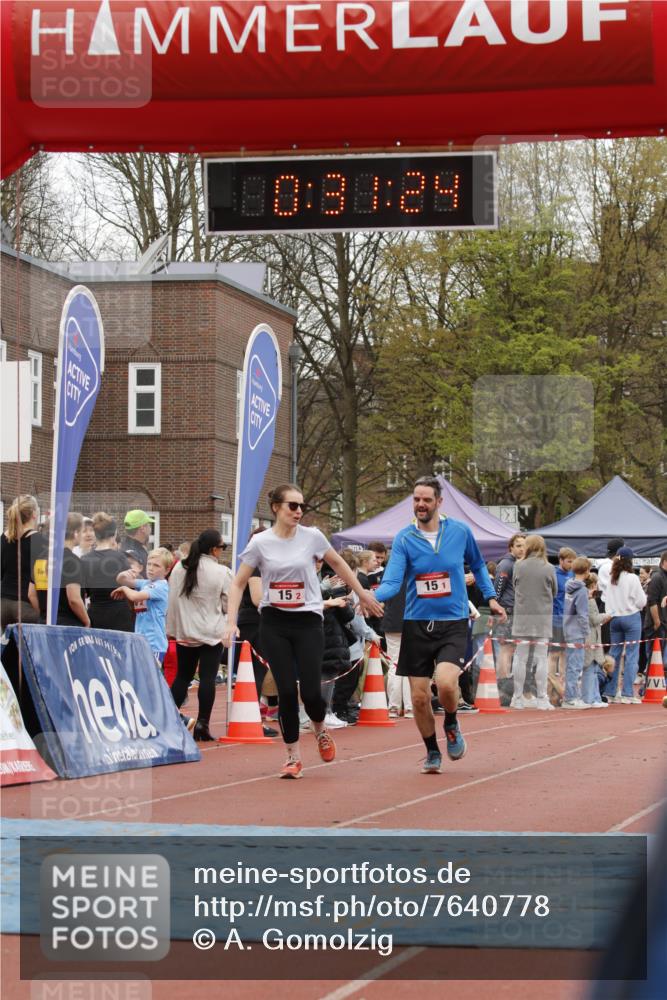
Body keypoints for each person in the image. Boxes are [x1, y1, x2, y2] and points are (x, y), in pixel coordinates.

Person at [222, 483, 382, 779]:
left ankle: (320, 729)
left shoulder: (312, 537)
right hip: (274, 622)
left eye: (302, 506)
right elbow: (237, 582)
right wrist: (230, 621)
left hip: (308, 620)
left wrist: (363, 592)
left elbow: (339, 564)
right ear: (276, 508)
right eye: (292, 506)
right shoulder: (261, 543)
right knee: (284, 691)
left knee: (310, 691)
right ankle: (293, 756)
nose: (298, 511)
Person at [374, 476, 506, 775]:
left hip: (453, 622)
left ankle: (450, 721)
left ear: (439, 502)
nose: (420, 505)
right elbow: (392, 581)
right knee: (419, 698)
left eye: (426, 500)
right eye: (416, 499)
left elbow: (478, 566)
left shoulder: (460, 532)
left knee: (446, 684)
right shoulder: (405, 539)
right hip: (417, 624)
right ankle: (432, 751)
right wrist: (370, 596)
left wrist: (492, 598)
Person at [167, 529, 233, 741]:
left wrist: (173, 627)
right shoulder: (222, 572)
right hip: (211, 631)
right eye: (222, 547)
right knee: (207, 679)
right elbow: (227, 603)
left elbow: (173, 599)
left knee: (182, 677)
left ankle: (166, 719)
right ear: (214, 549)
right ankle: (202, 724)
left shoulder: (180, 568)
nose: (222, 551)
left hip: (185, 630)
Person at [510, 534, 557, 711]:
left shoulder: (518, 566)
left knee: (520, 658)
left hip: (522, 617)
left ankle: (517, 697)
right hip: (542, 618)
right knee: (541, 659)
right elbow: (554, 591)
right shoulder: (549, 568)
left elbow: (516, 587)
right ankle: (542, 698)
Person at [112, 547, 173, 666]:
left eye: (156, 565)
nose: (150, 568)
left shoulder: (160, 586)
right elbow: (121, 580)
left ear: (166, 570)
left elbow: (135, 596)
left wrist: (125, 589)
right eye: (149, 564)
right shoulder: (146, 583)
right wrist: (125, 573)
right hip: (142, 640)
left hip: (154, 644)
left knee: (149, 680)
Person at [30, 513, 90, 627]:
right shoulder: (73, 561)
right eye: (82, 531)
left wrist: (45, 616)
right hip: (68, 626)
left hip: (45, 623)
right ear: (75, 533)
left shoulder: (40, 558)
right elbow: (74, 598)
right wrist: (87, 621)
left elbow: (31, 594)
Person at [604, 547, 647, 703]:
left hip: (615, 618)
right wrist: (636, 606)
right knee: (631, 655)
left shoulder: (611, 578)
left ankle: (610, 691)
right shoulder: (632, 578)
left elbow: (606, 599)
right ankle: (628, 693)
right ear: (630, 561)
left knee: (614, 654)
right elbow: (642, 601)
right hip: (631, 617)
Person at [81, 513, 134, 631]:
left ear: (95, 534)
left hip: (96, 615)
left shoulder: (84, 560)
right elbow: (131, 587)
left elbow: (83, 593)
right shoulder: (120, 558)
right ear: (114, 533)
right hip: (120, 616)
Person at [1, 495, 43, 630]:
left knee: (8, 649)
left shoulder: (4, 537)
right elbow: (40, 578)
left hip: (3, 604)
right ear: (34, 514)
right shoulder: (39, 540)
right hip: (26, 604)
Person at [493, 534, 526, 679]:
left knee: (511, 648)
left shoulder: (518, 563)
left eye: (524, 545)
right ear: (511, 547)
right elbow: (497, 589)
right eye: (518, 545)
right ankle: (502, 682)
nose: (522, 549)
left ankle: (505, 682)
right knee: (505, 649)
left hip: (515, 611)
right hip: (506, 611)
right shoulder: (506, 564)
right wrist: (498, 610)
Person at [562, 556, 593, 709]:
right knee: (575, 665)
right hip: (577, 632)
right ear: (587, 571)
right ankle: (570, 697)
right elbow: (582, 614)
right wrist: (586, 633)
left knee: (570, 665)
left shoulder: (569, 585)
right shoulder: (581, 590)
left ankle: (571, 695)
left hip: (567, 628)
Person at [581, 573, 611, 708]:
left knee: (592, 669)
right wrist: (607, 615)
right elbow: (594, 619)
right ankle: (590, 698)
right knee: (590, 670)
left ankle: (595, 697)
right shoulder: (590, 600)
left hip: (590, 636)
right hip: (591, 637)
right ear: (593, 585)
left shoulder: (585, 599)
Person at [548, 546, 576, 684]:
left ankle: (563, 685)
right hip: (556, 619)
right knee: (554, 654)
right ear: (561, 560)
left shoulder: (572, 574)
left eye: (573, 562)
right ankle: (551, 684)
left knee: (565, 653)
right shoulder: (553, 574)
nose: (571, 565)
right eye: (569, 561)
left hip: (569, 620)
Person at [644, 551, 667, 670]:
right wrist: (657, 622)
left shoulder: (663, 577)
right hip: (657, 626)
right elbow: (651, 601)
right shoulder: (657, 577)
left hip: (663, 624)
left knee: (661, 661)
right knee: (654, 661)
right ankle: (647, 688)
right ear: (664, 562)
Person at [120, 509, 154, 574]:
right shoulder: (138, 555)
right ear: (143, 528)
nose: (150, 528)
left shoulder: (120, 548)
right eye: (148, 524)